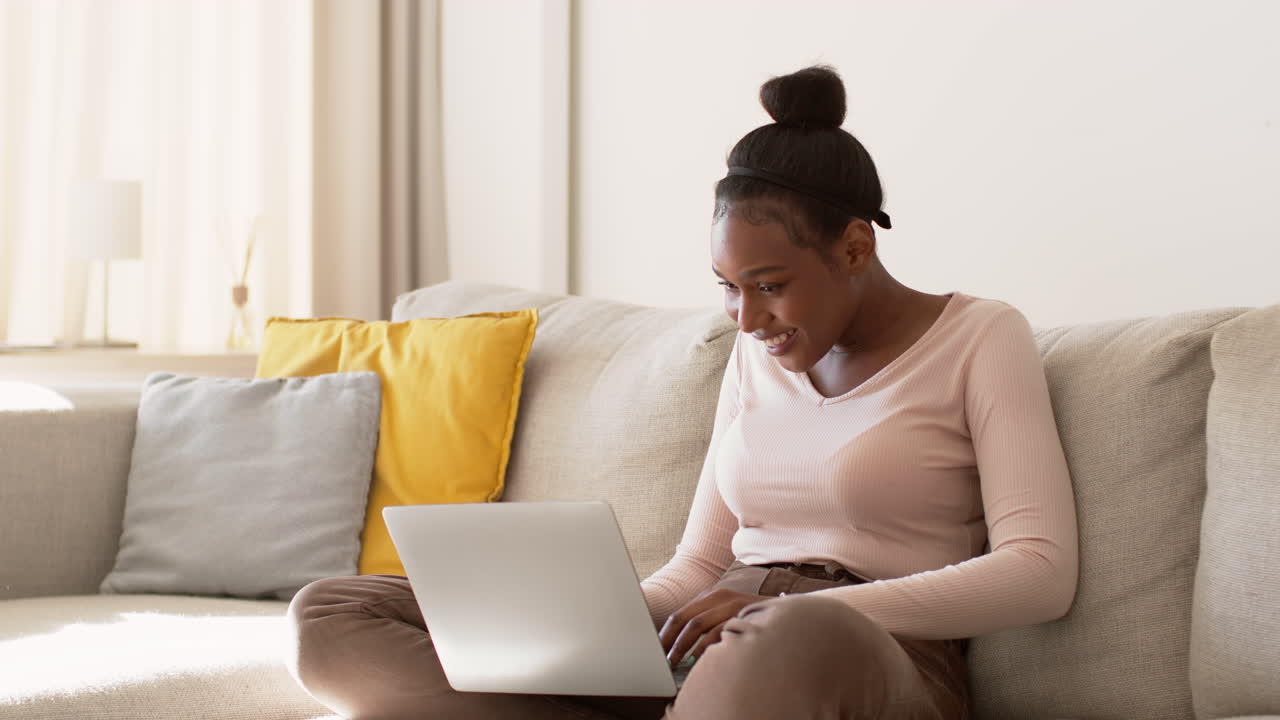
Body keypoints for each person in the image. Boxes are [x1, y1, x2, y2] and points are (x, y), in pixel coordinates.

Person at [284, 64, 1079, 720]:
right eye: (729, 287)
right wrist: (592, 622)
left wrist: (799, 613)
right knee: (331, 615)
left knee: (783, 643)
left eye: (769, 285)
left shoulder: (981, 337)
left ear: (854, 246)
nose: (747, 317)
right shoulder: (759, 353)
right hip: (710, 644)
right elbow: (698, 564)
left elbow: (1038, 571)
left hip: (861, 652)